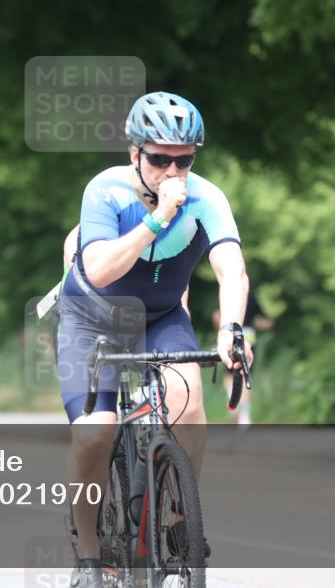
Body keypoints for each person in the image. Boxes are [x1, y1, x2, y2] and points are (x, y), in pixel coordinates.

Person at [57, 91, 251, 587]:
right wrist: (158, 218)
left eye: (183, 161)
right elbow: (99, 270)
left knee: (187, 406)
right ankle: (89, 556)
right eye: (160, 159)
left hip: (161, 315)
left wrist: (231, 329)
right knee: (95, 434)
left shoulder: (207, 198)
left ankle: (179, 526)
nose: (173, 172)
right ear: (134, 155)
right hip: (94, 317)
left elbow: (231, 269)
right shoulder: (105, 191)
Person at [212, 291, 273, 427]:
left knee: (229, 373)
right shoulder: (251, 298)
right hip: (249, 336)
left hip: (231, 335)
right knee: (245, 373)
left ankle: (233, 402)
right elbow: (266, 321)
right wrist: (256, 326)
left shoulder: (226, 296)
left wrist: (220, 331)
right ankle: (245, 415)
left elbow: (216, 316)